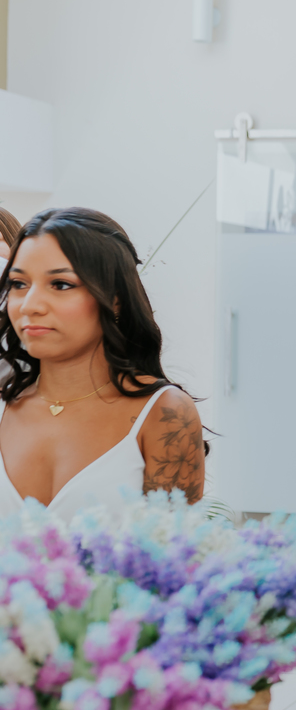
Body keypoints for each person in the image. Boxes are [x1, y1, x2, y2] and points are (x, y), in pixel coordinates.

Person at [0, 208, 206, 519]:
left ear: (115, 298)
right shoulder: (5, 404)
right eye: (18, 284)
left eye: (61, 284)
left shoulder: (164, 414)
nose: (30, 305)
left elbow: (175, 560)